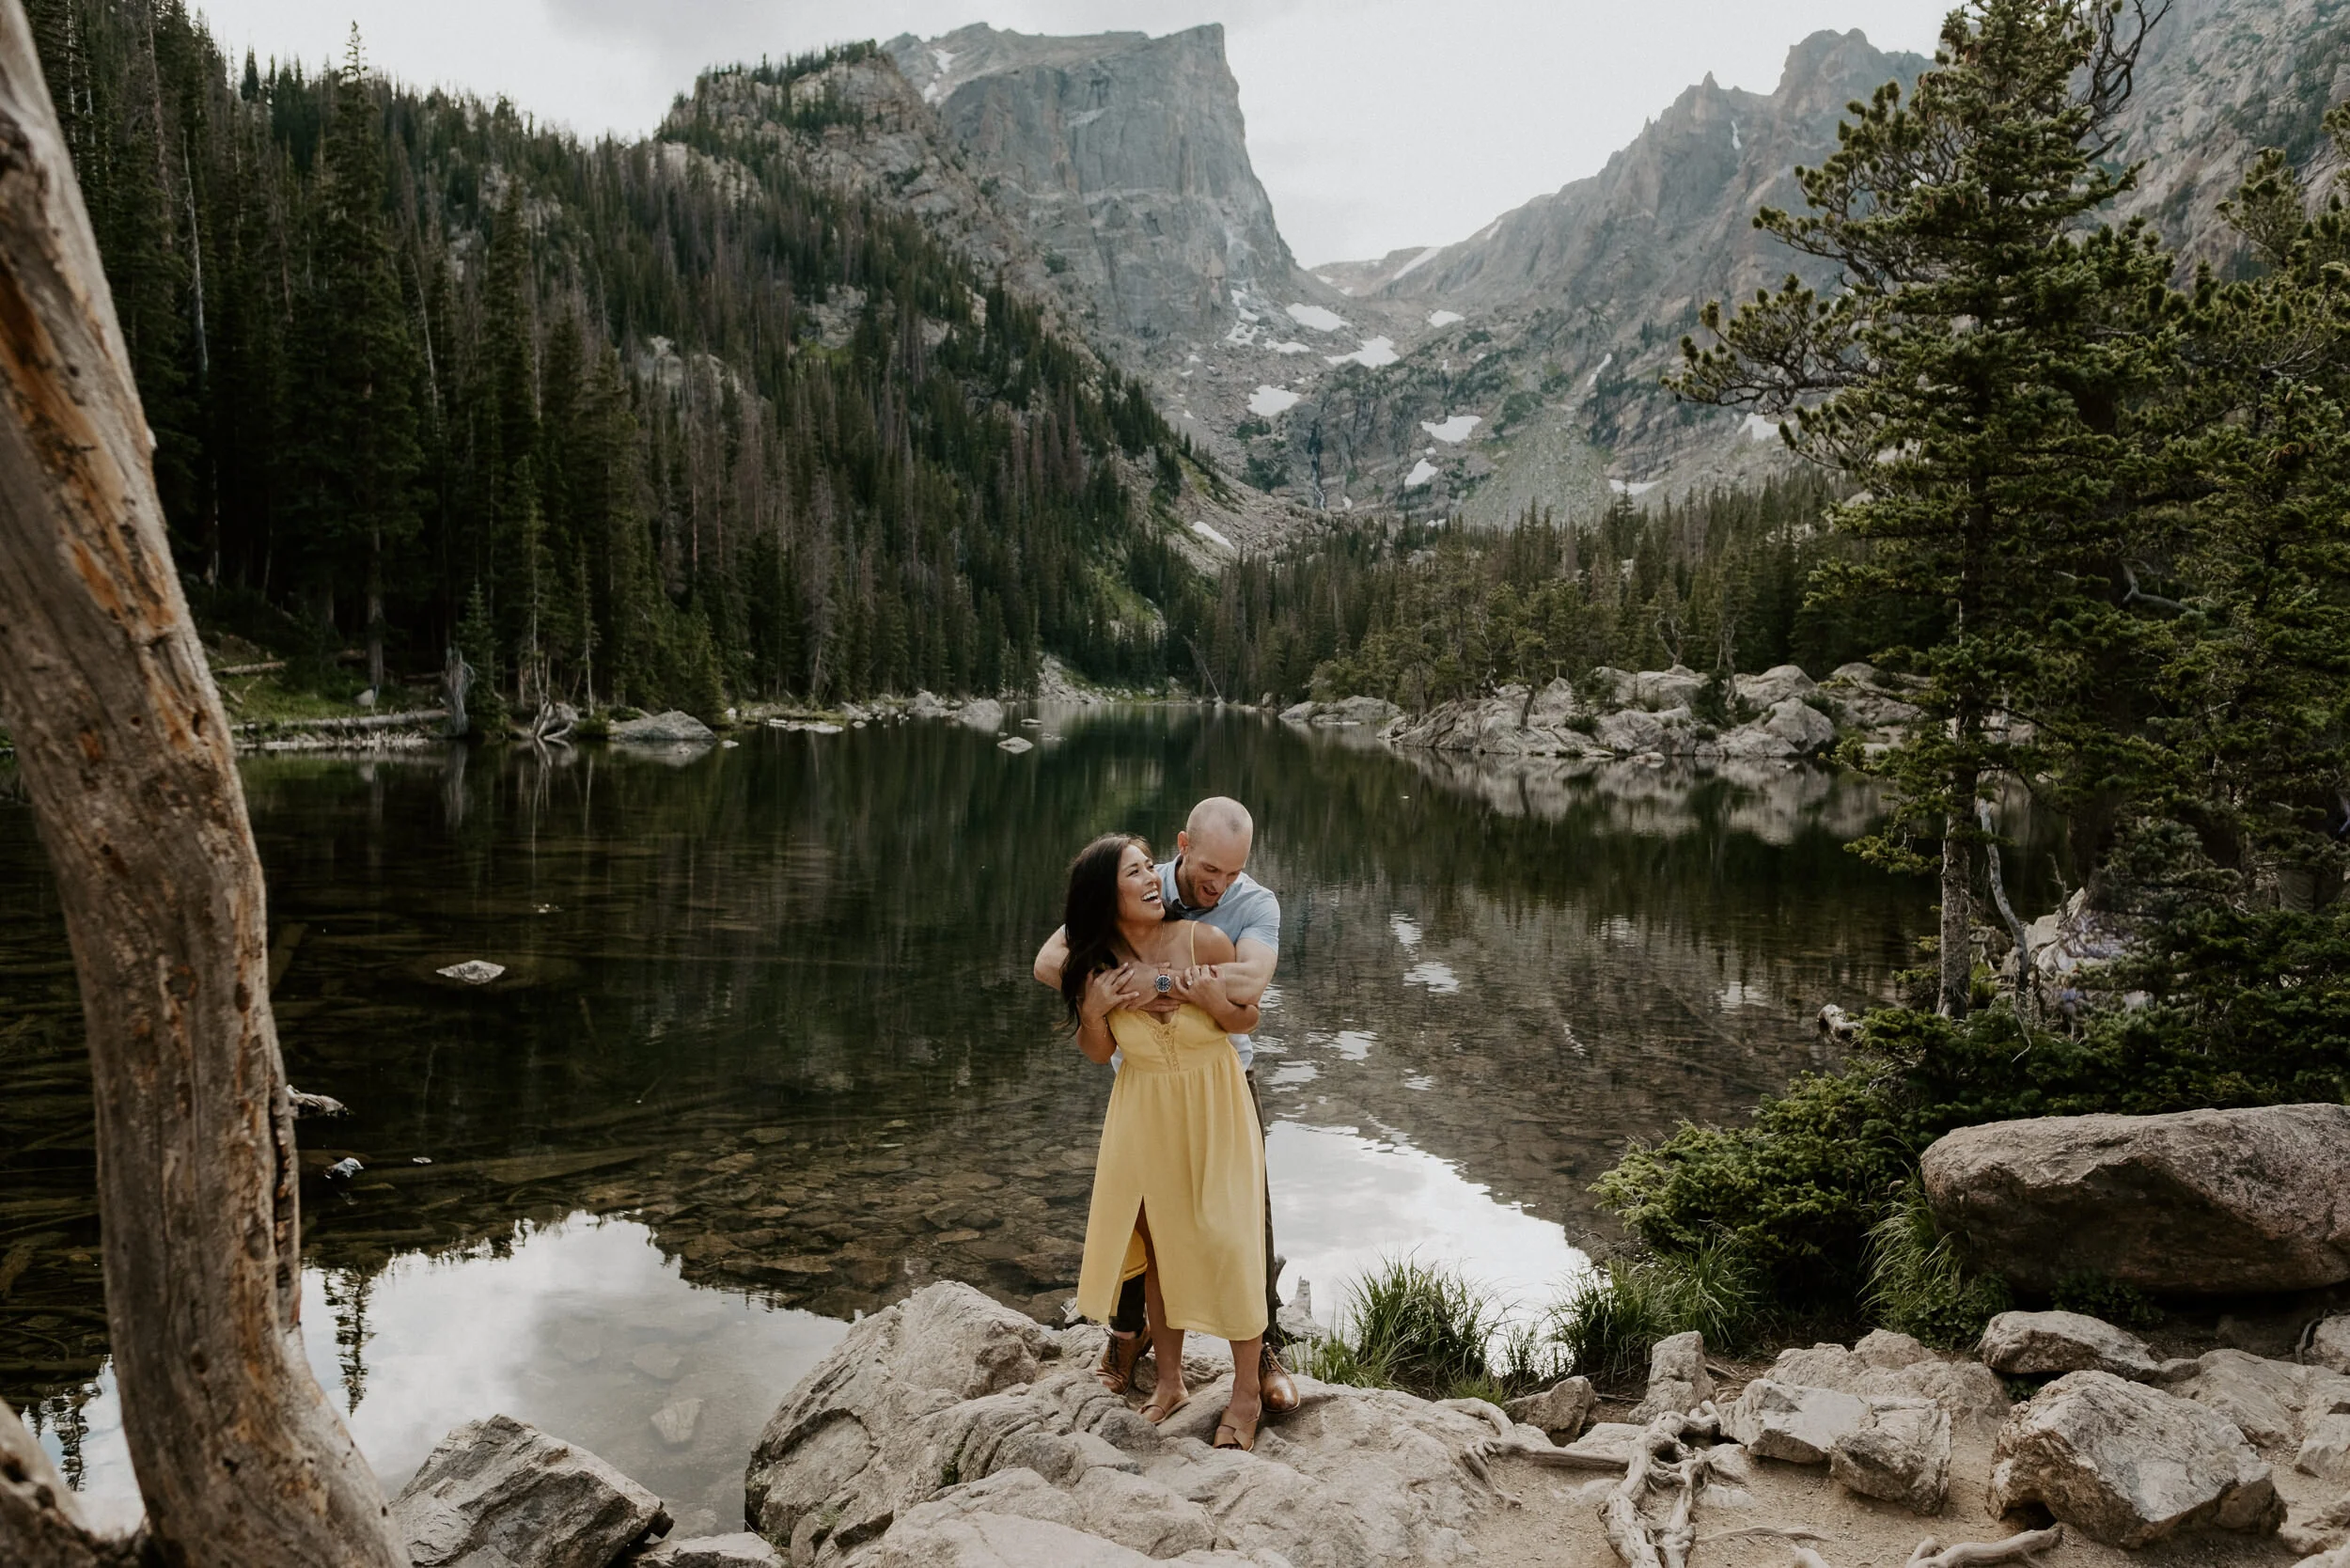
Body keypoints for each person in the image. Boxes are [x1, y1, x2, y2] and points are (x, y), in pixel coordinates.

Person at [1033, 796, 1298, 1416]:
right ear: (1184, 845)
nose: (1220, 883)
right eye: (1211, 869)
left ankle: (1260, 1357)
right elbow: (1051, 962)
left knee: (1240, 1226)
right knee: (1145, 1230)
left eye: (1233, 873)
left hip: (1222, 1076)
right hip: (1145, 1083)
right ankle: (1131, 1346)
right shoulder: (1143, 880)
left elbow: (1250, 985)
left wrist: (1157, 983)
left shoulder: (1249, 906)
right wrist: (1106, 995)